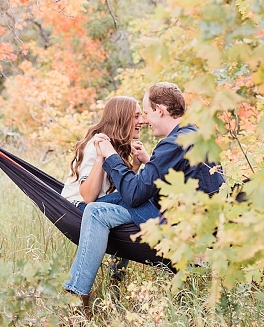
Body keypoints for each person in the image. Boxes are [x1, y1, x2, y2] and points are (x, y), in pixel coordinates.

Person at [63, 82, 225, 311]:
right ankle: (94, 290)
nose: (145, 121)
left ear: (160, 110)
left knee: (98, 211)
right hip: (199, 216)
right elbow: (156, 185)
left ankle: (76, 297)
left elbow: (135, 193)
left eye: (147, 113)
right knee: (97, 208)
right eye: (139, 116)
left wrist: (112, 157)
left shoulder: (172, 144)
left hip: (187, 224)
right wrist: (147, 164)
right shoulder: (195, 133)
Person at [61, 96, 146, 208]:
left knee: (138, 193)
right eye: (136, 116)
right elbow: (88, 197)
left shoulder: (116, 145)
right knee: (141, 194)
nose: (142, 121)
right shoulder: (95, 145)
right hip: (77, 209)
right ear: (121, 119)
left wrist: (135, 166)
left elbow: (121, 189)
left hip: (100, 204)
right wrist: (100, 158)